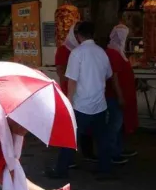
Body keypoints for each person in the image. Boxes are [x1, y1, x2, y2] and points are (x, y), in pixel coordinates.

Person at [48, 21, 114, 180]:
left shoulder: (77, 53)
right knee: (102, 139)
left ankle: (61, 170)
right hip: (99, 103)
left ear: (78, 36)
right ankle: (105, 169)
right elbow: (108, 75)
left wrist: (69, 101)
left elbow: (72, 80)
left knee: (70, 138)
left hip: (81, 104)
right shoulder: (102, 52)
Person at [105, 23, 137, 163]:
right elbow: (115, 78)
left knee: (118, 126)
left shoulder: (118, 52)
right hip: (114, 96)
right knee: (114, 125)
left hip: (120, 94)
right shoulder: (113, 53)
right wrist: (120, 96)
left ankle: (117, 150)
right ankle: (111, 154)